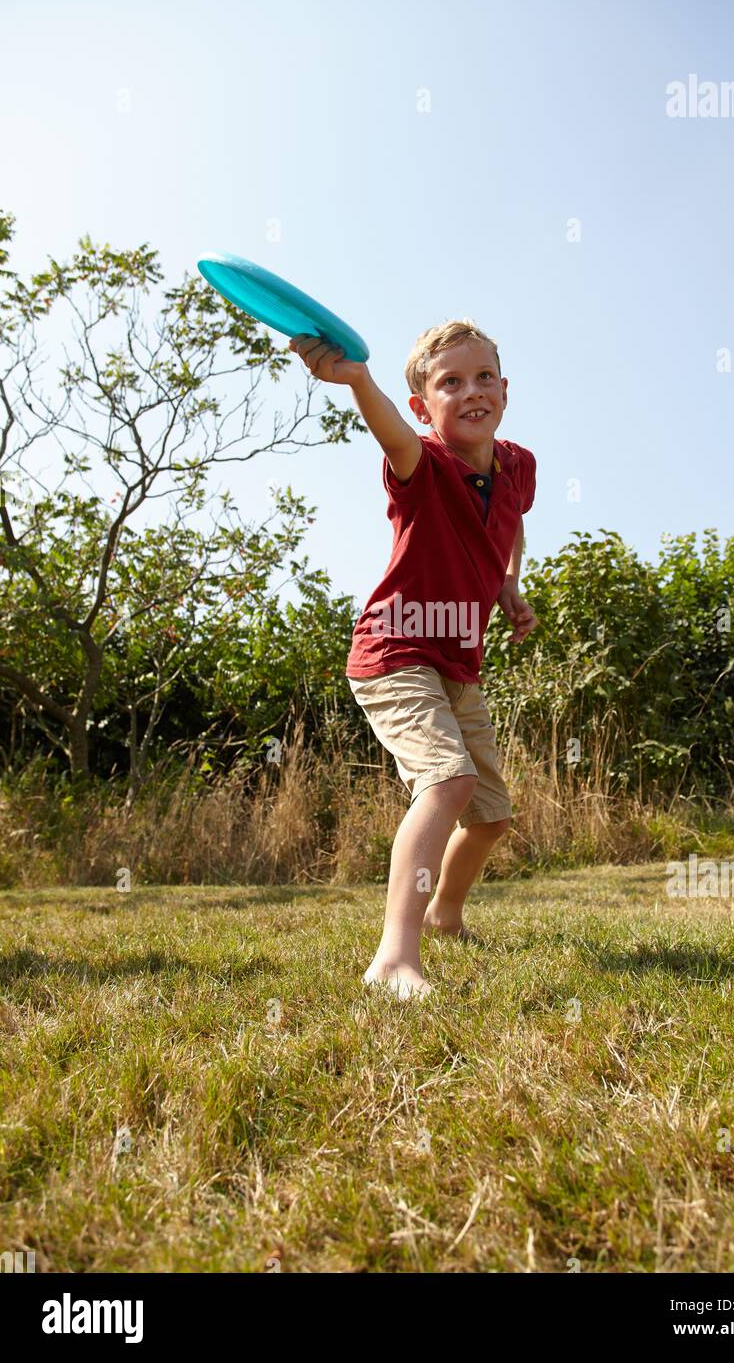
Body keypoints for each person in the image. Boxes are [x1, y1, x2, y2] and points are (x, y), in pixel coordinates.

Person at [288, 319, 537, 999]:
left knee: (489, 817)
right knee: (447, 781)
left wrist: (508, 585)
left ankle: (445, 913)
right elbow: (391, 433)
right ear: (426, 409)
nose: (471, 390)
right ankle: (395, 958)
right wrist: (358, 381)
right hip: (395, 649)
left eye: (483, 375)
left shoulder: (518, 466)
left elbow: (512, 527)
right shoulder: (420, 464)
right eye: (449, 382)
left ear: (505, 389)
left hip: (458, 663)